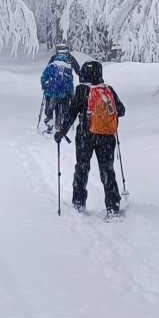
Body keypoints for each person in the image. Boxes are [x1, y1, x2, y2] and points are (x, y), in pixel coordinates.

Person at [57, 60, 124, 217]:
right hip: (107, 137)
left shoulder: (81, 90)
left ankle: (79, 203)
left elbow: (72, 113)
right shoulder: (108, 89)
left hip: (85, 136)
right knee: (107, 170)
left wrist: (61, 131)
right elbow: (121, 110)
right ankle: (113, 207)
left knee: (82, 168)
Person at [38, 45, 77, 135]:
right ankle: (60, 126)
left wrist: (44, 85)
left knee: (50, 108)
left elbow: (44, 77)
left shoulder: (51, 65)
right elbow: (70, 82)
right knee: (62, 110)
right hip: (64, 95)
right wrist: (71, 94)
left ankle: (50, 123)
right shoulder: (67, 68)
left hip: (51, 93)